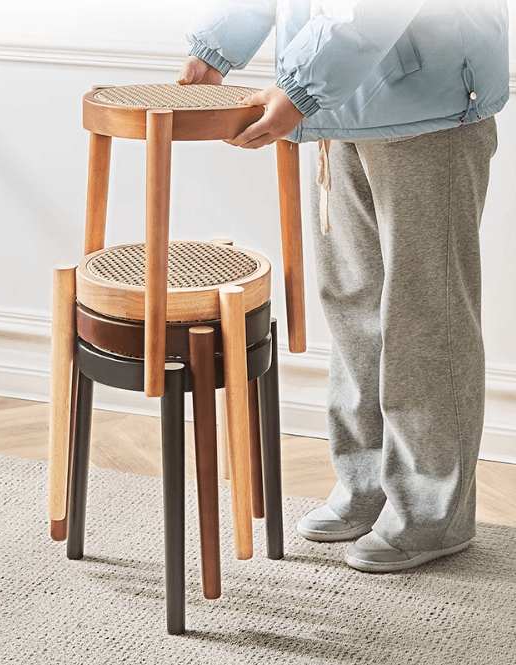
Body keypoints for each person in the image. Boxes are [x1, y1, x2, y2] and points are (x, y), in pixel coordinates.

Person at [177, 0, 510, 573]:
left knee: (428, 311)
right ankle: (368, 483)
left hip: (425, 100)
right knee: (353, 302)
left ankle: (434, 510)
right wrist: (217, 47)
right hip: (339, 100)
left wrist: (302, 85)